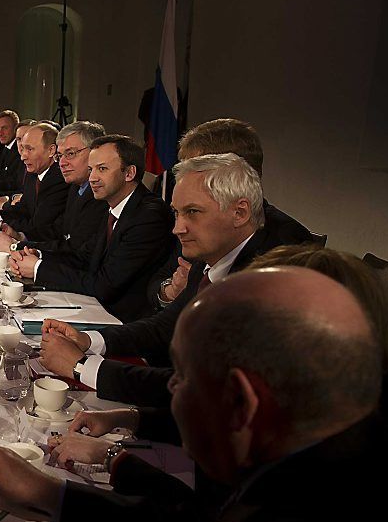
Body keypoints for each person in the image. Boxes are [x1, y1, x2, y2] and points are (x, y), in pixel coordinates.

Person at [0, 267, 388, 522]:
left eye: (181, 379)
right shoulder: (317, 456)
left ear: (241, 403)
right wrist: (48, 493)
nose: (168, 392)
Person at [39, 152, 299, 407]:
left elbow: (207, 389)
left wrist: (82, 366)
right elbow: (166, 325)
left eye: (193, 212)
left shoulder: (267, 277)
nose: (178, 228)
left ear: (240, 213)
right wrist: (91, 340)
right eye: (176, 213)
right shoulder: (211, 253)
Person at [151, 118, 313, 308]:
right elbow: (156, 283)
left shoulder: (287, 246)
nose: (185, 178)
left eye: (199, 168)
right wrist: (170, 291)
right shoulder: (196, 227)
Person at [11, 134, 174, 322]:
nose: (92, 178)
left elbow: (105, 284)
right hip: (100, 308)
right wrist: (38, 255)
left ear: (129, 173)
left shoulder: (148, 216)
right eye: (91, 169)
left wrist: (39, 269)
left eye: (102, 169)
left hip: (125, 321)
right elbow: (85, 256)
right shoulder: (113, 205)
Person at [0, 121, 109, 275]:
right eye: (61, 156)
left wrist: (16, 246)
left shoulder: (99, 195)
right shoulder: (77, 186)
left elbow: (78, 253)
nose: (63, 163)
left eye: (71, 154)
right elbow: (59, 230)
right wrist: (20, 238)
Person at [0, 123, 69, 243]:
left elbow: (37, 226)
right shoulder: (34, 174)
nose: (23, 156)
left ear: (51, 150)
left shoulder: (59, 179)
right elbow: (23, 209)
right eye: (23, 148)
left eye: (30, 149)